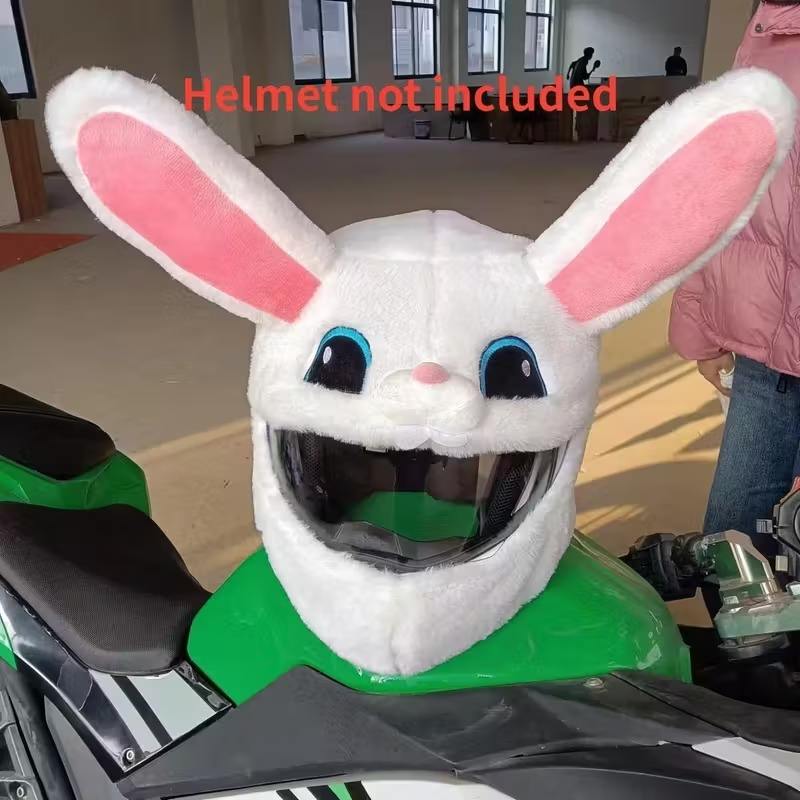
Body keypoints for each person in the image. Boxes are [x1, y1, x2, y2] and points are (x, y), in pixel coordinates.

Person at [669, 1, 800, 562]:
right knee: (730, 550)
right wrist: (702, 324)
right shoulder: (768, 32)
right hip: (764, 351)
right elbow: (725, 191)